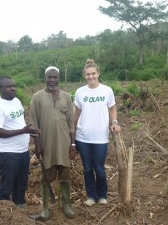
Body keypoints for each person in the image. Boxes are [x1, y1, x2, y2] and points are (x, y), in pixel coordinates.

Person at [29, 66, 76, 220]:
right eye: (50, 77)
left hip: (64, 144)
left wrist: (73, 144)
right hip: (46, 144)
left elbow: (71, 123)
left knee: (65, 175)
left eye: (55, 77)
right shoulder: (37, 97)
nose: (52, 80)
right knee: (46, 176)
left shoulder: (67, 97)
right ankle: (45, 209)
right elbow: (33, 123)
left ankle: (66, 205)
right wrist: (37, 144)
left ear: (59, 78)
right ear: (45, 78)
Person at [74, 59, 121, 207]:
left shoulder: (107, 90)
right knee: (87, 168)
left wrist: (114, 122)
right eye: (88, 74)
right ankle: (91, 196)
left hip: (101, 137)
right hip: (83, 137)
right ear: (84, 76)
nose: (91, 76)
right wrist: (73, 131)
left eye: (93, 73)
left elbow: (112, 108)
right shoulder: (80, 92)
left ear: (98, 73)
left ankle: (102, 195)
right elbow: (77, 112)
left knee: (99, 168)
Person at [0, 75, 40, 208]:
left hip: (23, 152)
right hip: (8, 154)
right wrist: (22, 131)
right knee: (7, 186)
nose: (13, 89)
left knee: (21, 183)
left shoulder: (16, 101)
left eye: (13, 86)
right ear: (0, 89)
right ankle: (3, 214)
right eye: (8, 86)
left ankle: (20, 212)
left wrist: (27, 131)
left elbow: (20, 120)